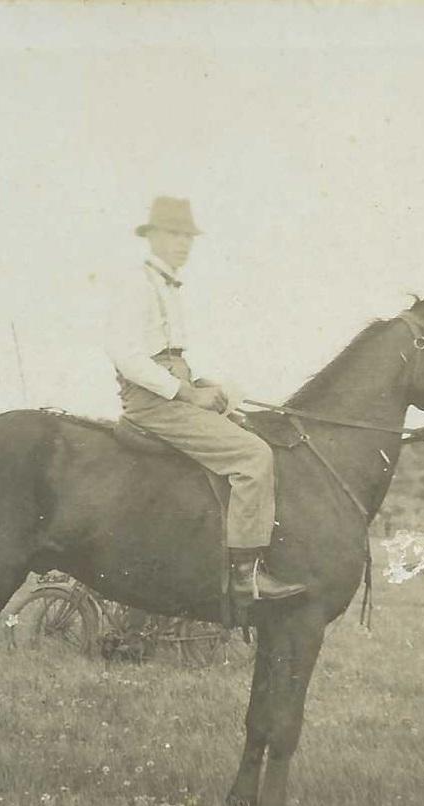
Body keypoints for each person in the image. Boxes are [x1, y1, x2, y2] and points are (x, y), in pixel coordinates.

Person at [106, 196, 305, 603]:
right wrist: (187, 393)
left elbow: (170, 356)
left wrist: (205, 386)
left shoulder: (168, 285)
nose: (183, 243)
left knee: (248, 422)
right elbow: (126, 356)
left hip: (172, 388)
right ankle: (244, 575)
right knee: (253, 456)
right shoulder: (137, 283)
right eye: (174, 234)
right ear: (153, 237)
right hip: (152, 400)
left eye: (188, 236)